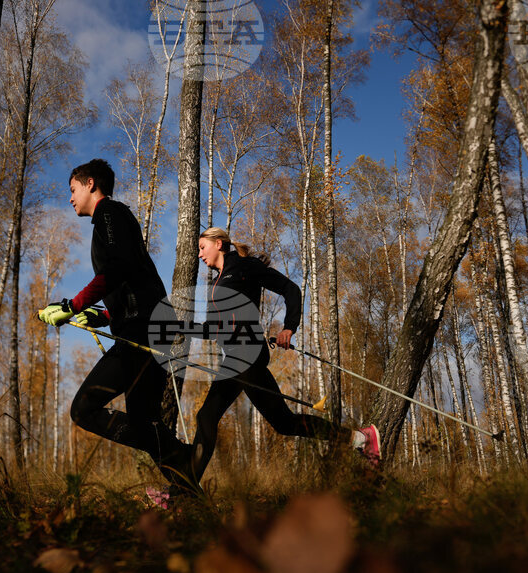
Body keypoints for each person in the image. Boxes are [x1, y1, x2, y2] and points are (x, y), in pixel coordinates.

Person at [37, 159, 200, 495]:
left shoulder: (109, 214)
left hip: (146, 332)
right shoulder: (112, 219)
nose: (70, 198)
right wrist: (103, 315)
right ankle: (188, 489)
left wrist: (74, 304)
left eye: (73, 190)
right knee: (144, 423)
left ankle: (184, 454)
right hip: (146, 327)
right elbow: (134, 282)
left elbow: (117, 269)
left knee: (84, 409)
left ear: (91, 184)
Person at [191, 227, 380, 481]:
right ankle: (360, 438)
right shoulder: (215, 284)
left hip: (246, 354)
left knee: (206, 415)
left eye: (203, 248)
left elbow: (290, 289)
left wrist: (289, 327)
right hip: (238, 358)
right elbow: (214, 330)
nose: (200, 254)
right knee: (284, 424)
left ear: (219, 243)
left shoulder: (245, 267)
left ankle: (184, 490)